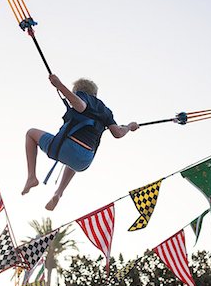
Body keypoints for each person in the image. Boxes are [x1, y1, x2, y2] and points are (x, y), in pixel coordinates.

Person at [22, 74, 139, 210]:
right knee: (72, 161)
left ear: (77, 91)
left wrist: (59, 85)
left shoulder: (83, 96)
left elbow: (80, 105)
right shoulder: (106, 111)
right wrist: (129, 127)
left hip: (63, 148)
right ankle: (59, 192)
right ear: (95, 93)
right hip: (83, 160)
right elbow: (118, 133)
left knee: (30, 133)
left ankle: (31, 176)